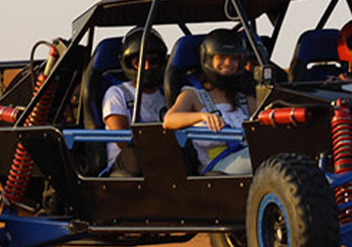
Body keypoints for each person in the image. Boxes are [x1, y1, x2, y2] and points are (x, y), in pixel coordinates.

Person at [163, 29, 256, 175]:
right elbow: (169, 120)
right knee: (265, 159)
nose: (228, 63)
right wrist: (202, 116)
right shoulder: (193, 94)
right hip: (216, 166)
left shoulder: (243, 98)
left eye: (234, 59)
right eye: (221, 57)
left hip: (247, 157)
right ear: (208, 59)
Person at [102, 27, 168, 176]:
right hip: (126, 165)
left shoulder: (166, 95)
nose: (147, 67)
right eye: (140, 62)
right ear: (130, 64)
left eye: (153, 61)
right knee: (134, 155)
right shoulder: (117, 94)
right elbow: (122, 139)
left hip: (162, 160)